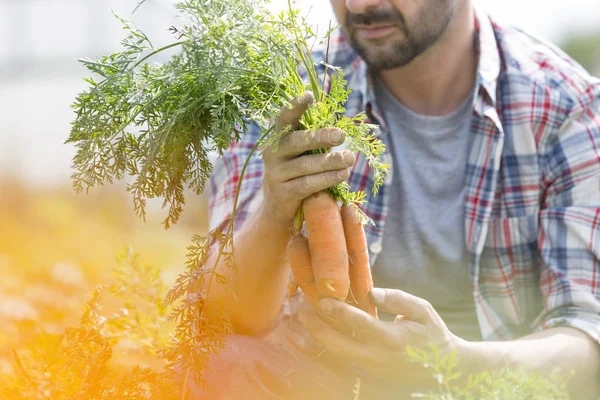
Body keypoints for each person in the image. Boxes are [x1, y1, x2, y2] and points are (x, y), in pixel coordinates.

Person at [189, 0, 600, 398]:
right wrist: (274, 210)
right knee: (215, 363)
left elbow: (586, 338)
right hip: (320, 384)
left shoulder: (565, 105)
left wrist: (450, 363)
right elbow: (222, 316)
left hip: (492, 387)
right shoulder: (287, 93)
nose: (357, 4)